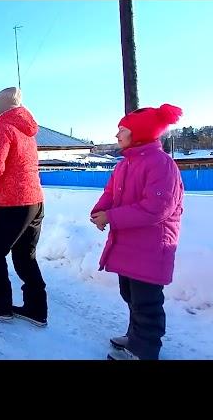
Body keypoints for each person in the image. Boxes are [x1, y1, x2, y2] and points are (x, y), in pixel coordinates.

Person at [91, 104, 184, 360]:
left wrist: (112, 217)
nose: (117, 135)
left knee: (147, 303)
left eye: (122, 129)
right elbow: (111, 193)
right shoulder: (124, 165)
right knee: (130, 294)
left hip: (153, 246)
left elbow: (157, 208)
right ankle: (135, 337)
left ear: (140, 133)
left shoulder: (161, 164)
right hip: (129, 243)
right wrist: (100, 210)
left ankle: (145, 349)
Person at [0, 87, 47, 326]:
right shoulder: (27, 129)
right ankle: (37, 308)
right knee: (25, 255)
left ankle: (0, 304)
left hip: (13, 201)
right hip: (35, 200)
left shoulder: (2, 126)